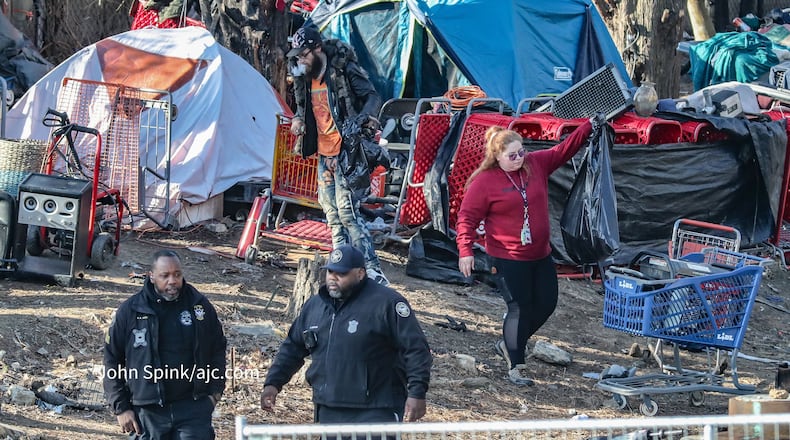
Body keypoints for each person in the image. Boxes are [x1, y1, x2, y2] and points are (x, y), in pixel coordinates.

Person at [455, 120, 595, 386]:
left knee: (546, 302)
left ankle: (511, 343)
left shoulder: (535, 164)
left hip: (540, 254)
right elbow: (467, 217)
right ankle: (515, 365)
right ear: (497, 157)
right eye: (512, 156)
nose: (520, 158)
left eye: (522, 152)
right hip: (507, 257)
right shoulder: (485, 182)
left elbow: (564, 149)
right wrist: (465, 249)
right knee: (518, 307)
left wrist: (588, 126)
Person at [260, 244, 432, 428]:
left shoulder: (386, 303)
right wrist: (273, 383)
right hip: (328, 406)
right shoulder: (315, 306)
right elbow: (293, 347)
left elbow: (416, 350)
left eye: (341, 273)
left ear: (360, 273)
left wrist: (417, 392)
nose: (333, 278)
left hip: (376, 409)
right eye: (330, 272)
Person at [287, 24, 390, 286]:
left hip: (347, 151)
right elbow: (304, 109)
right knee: (331, 213)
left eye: (304, 54)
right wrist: (299, 120)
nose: (300, 59)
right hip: (324, 153)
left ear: (318, 49)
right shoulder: (304, 77)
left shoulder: (342, 69)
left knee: (348, 213)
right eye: (297, 55)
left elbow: (372, 96)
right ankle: (341, 263)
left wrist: (360, 125)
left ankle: (373, 269)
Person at [103, 249, 227, 439]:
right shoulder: (131, 311)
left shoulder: (199, 306)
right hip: (147, 411)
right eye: (165, 275)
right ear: (151, 276)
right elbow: (112, 359)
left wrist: (214, 393)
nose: (172, 281)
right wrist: (121, 408)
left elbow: (218, 348)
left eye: (177, 274)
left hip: (193, 409)